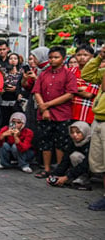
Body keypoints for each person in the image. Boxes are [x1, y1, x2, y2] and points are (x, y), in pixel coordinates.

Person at [33, 46, 78, 178]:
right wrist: (44, 108)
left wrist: (47, 105)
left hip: (62, 114)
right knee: (45, 141)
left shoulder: (69, 74)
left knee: (61, 143)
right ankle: (46, 169)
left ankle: (59, 170)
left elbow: (70, 94)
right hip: (44, 114)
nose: (52, 60)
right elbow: (36, 91)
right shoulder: (44, 74)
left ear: (64, 59)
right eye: (50, 57)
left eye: (56, 57)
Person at [79, 47, 105, 211]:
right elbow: (87, 75)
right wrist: (98, 57)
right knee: (100, 164)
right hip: (98, 120)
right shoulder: (103, 71)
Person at [46, 121, 92, 190]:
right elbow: (65, 160)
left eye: (78, 132)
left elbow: (86, 163)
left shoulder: (92, 143)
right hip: (80, 167)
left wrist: (67, 177)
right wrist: (54, 175)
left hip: (93, 167)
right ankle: (77, 176)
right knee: (72, 156)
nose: (75, 135)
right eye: (72, 132)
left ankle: (84, 177)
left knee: (75, 156)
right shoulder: (72, 142)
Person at [69, 45, 98, 124]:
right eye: (79, 55)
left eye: (85, 55)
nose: (82, 57)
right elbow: (61, 88)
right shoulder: (70, 71)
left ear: (92, 57)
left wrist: (70, 89)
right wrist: (81, 88)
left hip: (86, 114)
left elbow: (88, 94)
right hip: (69, 113)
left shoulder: (95, 73)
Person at [0, 52, 24, 128]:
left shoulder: (21, 71)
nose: (13, 60)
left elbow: (23, 84)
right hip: (4, 97)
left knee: (15, 119)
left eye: (15, 59)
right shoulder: (3, 70)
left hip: (16, 98)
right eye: (11, 58)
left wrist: (16, 89)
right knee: (5, 119)